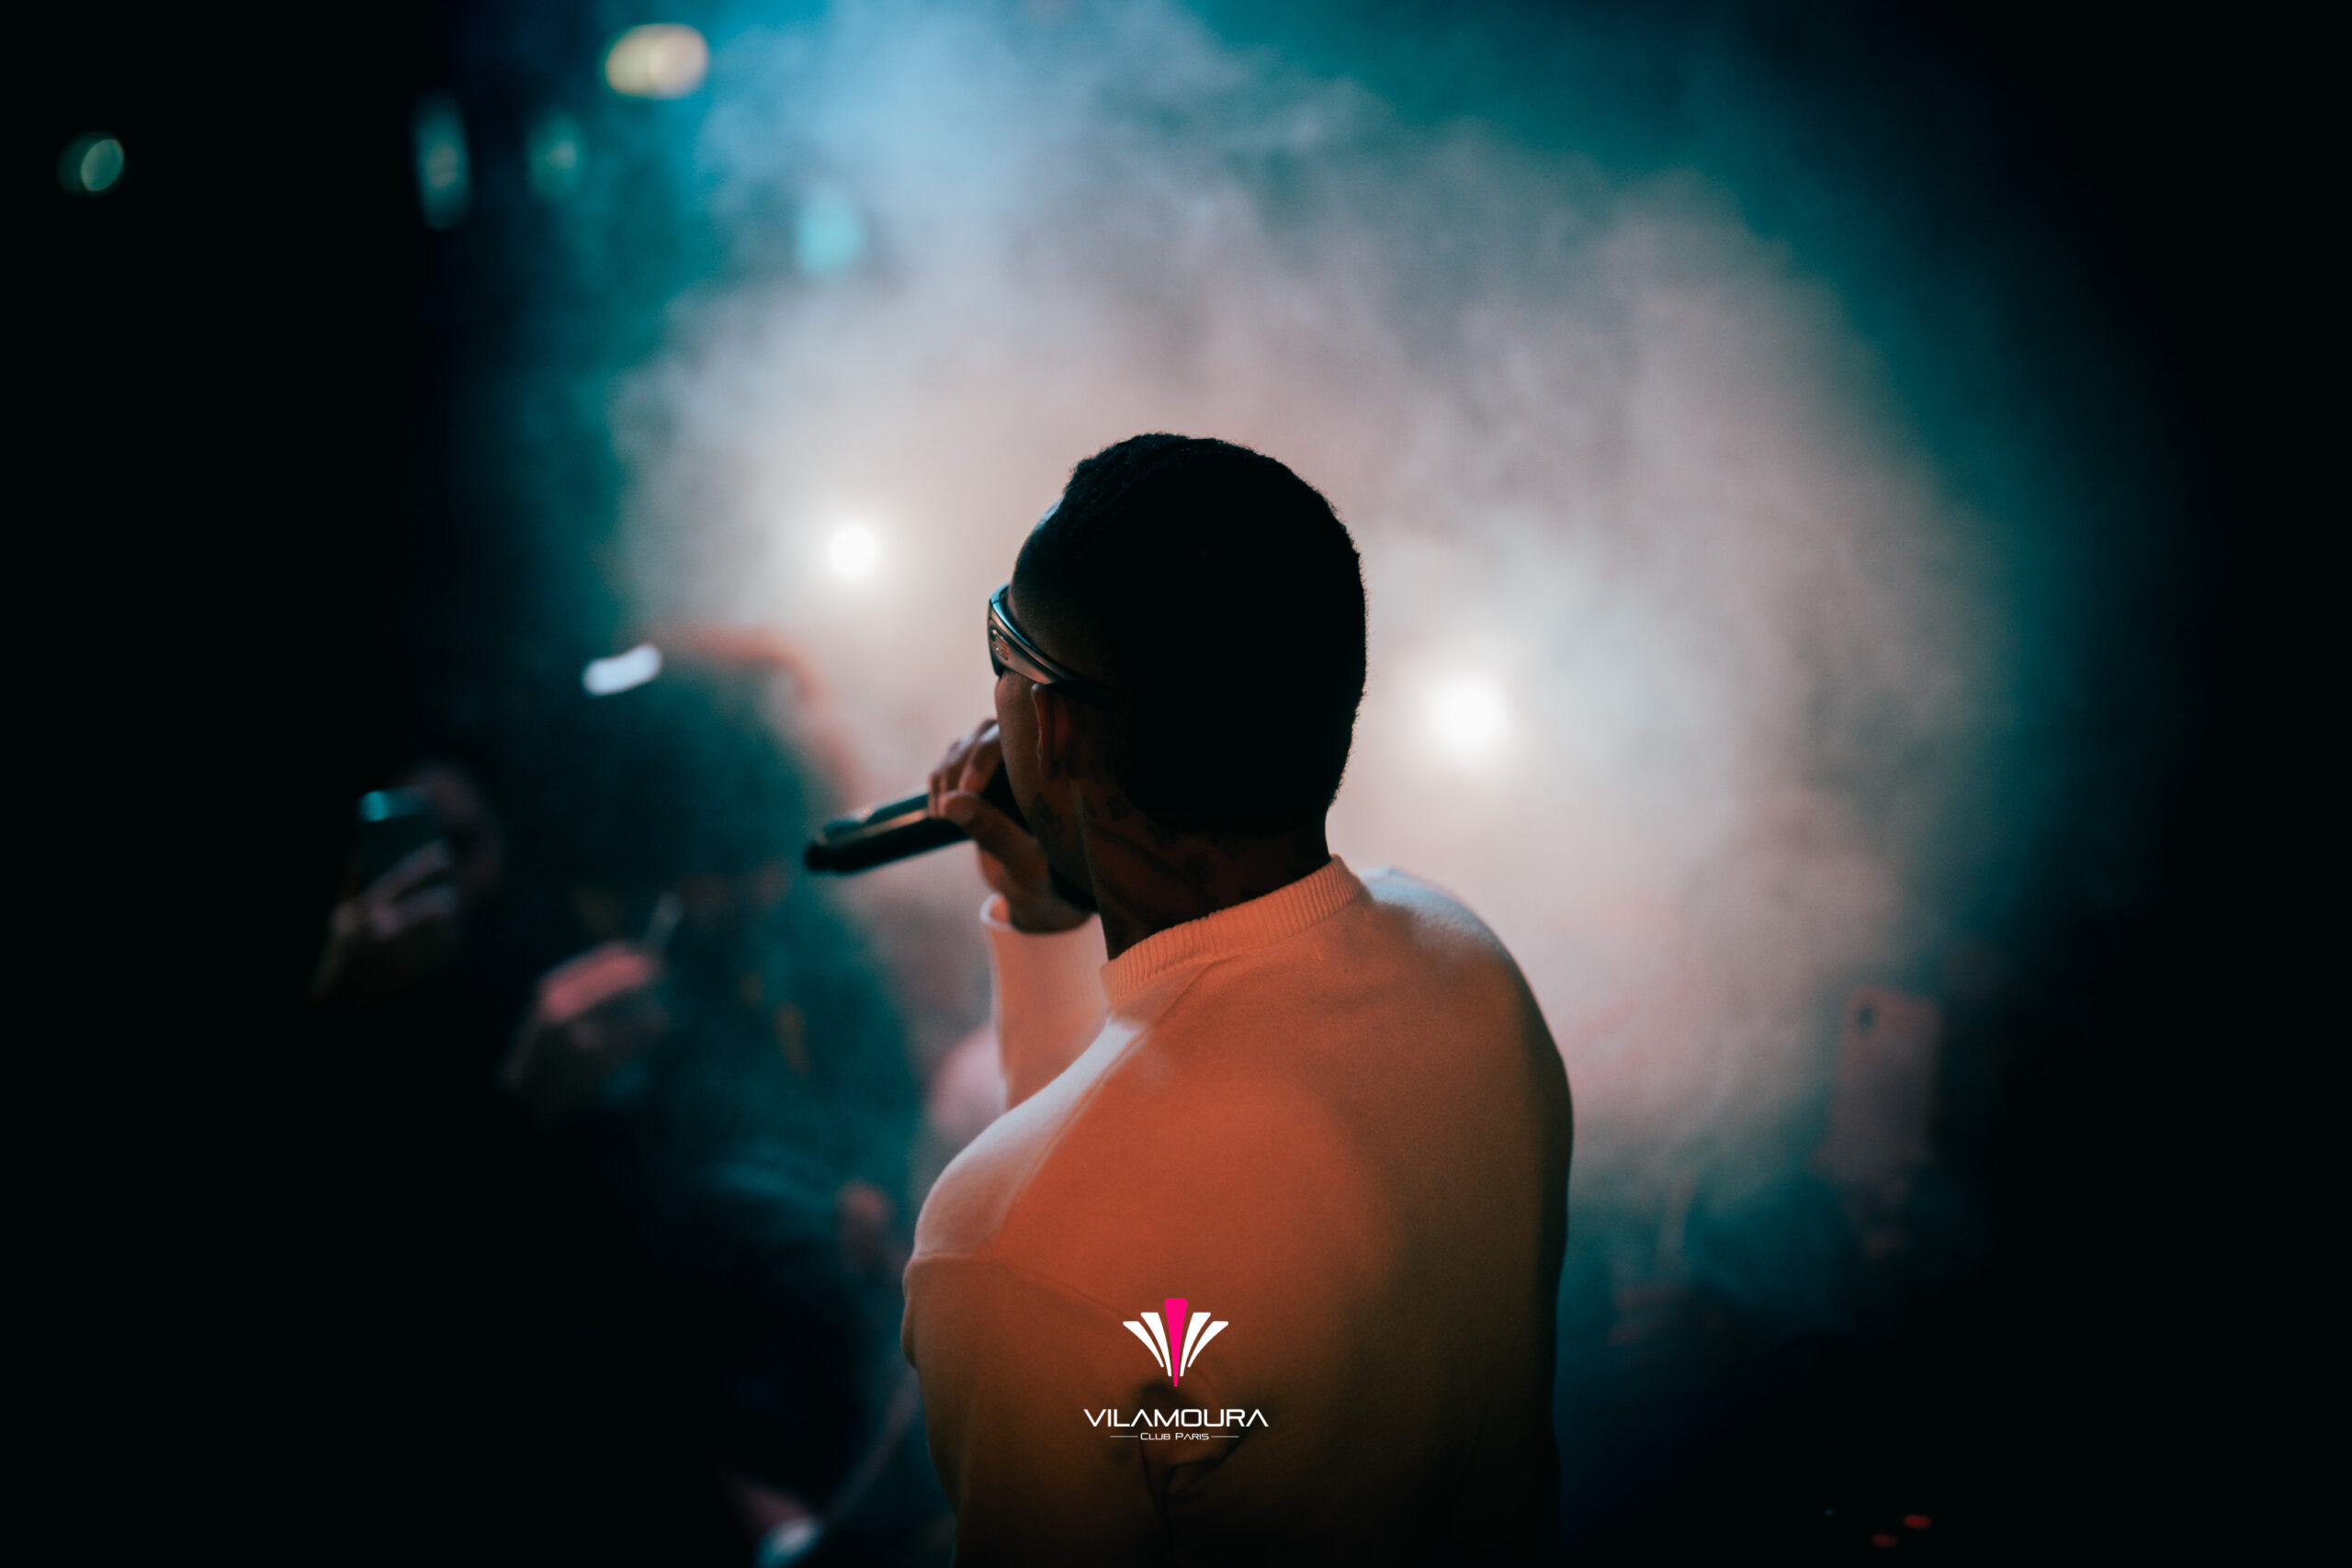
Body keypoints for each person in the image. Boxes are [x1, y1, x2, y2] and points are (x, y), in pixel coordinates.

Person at [903, 434, 1574, 1565]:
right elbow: (1112, 1146)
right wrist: (1049, 915)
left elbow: (1073, 1206)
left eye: (1002, 650)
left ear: (1054, 728)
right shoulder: (1473, 966)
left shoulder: (1000, 1243)